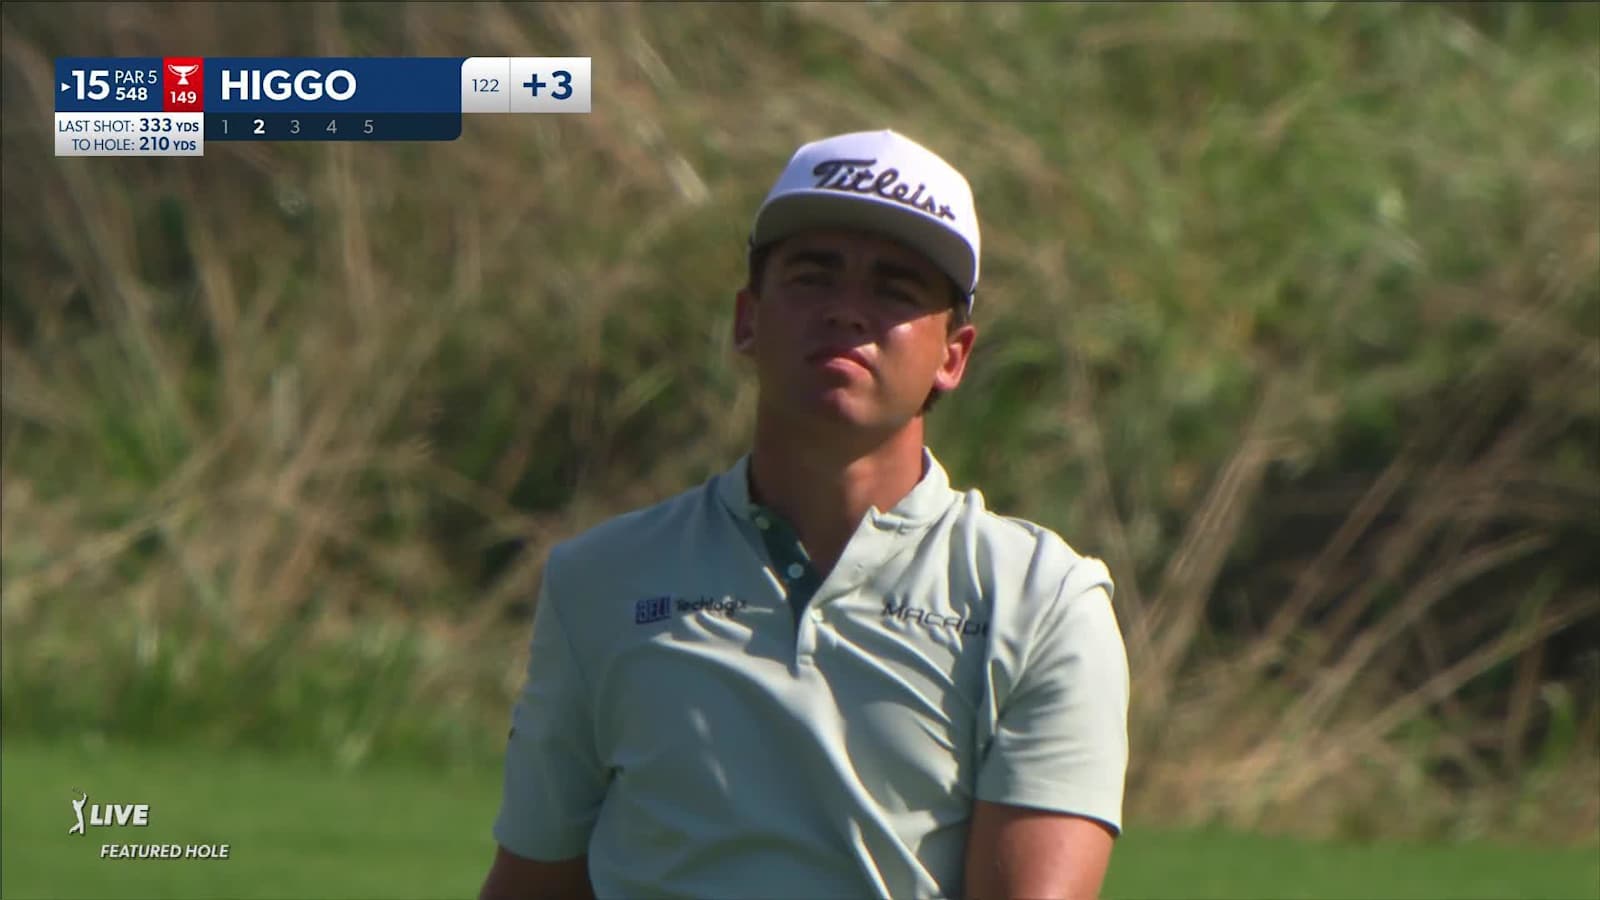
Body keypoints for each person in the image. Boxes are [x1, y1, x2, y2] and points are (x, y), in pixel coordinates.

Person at [479, 129, 1130, 900]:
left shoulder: (1042, 600)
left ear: (952, 356)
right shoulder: (600, 578)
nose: (847, 311)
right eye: (814, 276)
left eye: (894, 288)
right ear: (748, 320)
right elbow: (535, 882)